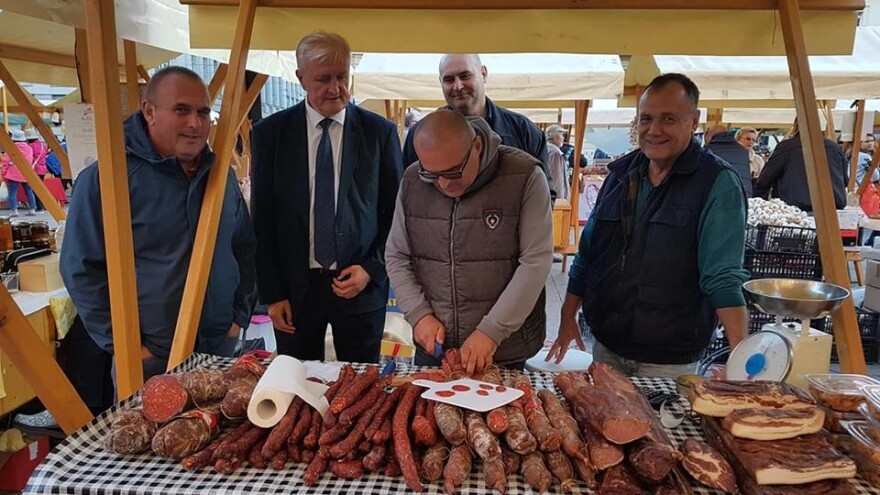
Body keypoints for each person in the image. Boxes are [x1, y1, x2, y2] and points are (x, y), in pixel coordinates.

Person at [547, 73, 749, 379]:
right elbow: (588, 253)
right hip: (606, 346)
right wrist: (567, 315)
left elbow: (723, 276)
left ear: (693, 121)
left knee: (661, 428)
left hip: (669, 361)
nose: (653, 130)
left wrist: (740, 357)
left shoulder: (717, 183)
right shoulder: (620, 175)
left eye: (668, 119)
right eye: (646, 119)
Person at [61, 66, 257, 380]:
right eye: (181, 110)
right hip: (151, 357)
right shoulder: (108, 179)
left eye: (203, 112)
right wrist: (128, 346)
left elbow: (244, 247)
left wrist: (238, 318)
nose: (195, 123)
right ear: (149, 111)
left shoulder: (220, 176)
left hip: (218, 345)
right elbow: (82, 269)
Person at [251, 31, 402, 363]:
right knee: (293, 383)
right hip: (294, 291)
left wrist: (371, 269)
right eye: (323, 79)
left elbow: (397, 214)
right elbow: (262, 220)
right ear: (301, 78)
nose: (335, 88)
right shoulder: (270, 135)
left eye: (341, 76)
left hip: (359, 287)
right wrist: (273, 295)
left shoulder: (380, 133)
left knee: (361, 389)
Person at [386, 110, 552, 374]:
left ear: (476, 145)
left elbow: (535, 262)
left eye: (453, 172)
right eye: (431, 174)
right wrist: (418, 315)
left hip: (505, 350)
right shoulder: (412, 180)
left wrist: (492, 330)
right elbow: (396, 255)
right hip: (435, 346)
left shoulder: (525, 176)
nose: (443, 184)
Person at [401, 54, 555, 200]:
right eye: (449, 79)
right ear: (440, 82)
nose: (458, 86)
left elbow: (545, 196)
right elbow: (409, 191)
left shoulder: (524, 131)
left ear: (484, 73)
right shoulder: (422, 135)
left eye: (465, 75)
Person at [753, 121, 847, 212]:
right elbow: (845, 180)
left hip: (794, 210)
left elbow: (766, 178)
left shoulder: (786, 147)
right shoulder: (834, 148)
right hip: (832, 209)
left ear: (795, 127)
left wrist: (757, 200)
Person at [704, 124, 752, 197]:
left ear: (709, 135)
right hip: (744, 196)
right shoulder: (743, 152)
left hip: (718, 198)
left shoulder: (707, 151)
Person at [1, 129, 36, 216]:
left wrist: (3, 172)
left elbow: (5, 161)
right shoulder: (29, 148)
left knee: (12, 192)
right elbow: (30, 160)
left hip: (13, 173)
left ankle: (14, 211)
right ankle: (32, 209)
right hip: (26, 173)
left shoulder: (11, 148)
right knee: (29, 191)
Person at [25, 128, 49, 211]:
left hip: (35, 169)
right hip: (43, 169)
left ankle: (38, 206)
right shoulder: (42, 145)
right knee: (41, 188)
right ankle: (43, 205)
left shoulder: (30, 146)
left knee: (35, 189)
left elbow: (30, 158)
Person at [545, 124, 570, 200]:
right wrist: (559, 199)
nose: (563, 138)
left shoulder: (546, 148)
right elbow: (556, 178)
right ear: (555, 137)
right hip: (556, 199)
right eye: (561, 135)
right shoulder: (555, 152)